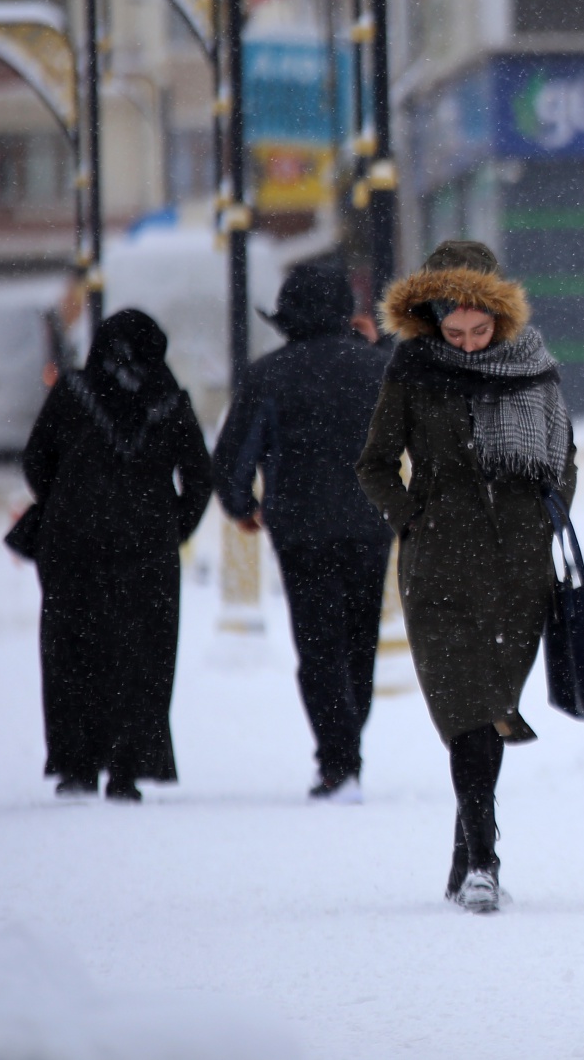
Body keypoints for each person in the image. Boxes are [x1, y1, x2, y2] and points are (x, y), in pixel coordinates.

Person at [356, 240, 576, 913]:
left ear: (499, 316)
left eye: (481, 330)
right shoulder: (412, 369)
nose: (470, 343)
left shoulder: (535, 368)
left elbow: (563, 456)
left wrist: (547, 515)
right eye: (455, 332)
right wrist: (412, 517)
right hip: (440, 565)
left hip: (518, 570)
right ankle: (485, 860)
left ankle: (465, 856)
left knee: (488, 713)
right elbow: (374, 463)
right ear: (433, 318)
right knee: (464, 710)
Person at [214, 262, 393, 802]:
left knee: (318, 648)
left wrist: (242, 505)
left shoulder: (267, 375)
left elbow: (233, 459)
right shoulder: (377, 369)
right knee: (359, 644)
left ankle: (338, 763)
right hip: (369, 521)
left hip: (300, 530)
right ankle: (346, 750)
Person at [21, 309, 213, 803]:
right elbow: (199, 476)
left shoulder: (72, 393)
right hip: (146, 551)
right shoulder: (169, 401)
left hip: (74, 547)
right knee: (140, 656)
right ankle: (128, 766)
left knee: (74, 654)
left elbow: (35, 460)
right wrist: (173, 527)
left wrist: (67, 499)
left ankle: (77, 763)